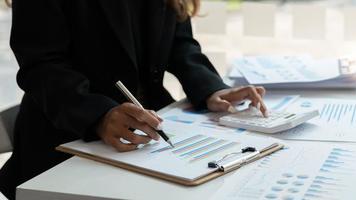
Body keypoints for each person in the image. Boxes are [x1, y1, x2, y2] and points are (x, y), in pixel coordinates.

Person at [0, 0, 268, 199]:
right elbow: (42, 65)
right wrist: (99, 114)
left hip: (148, 142)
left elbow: (179, 42)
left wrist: (210, 89)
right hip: (62, 145)